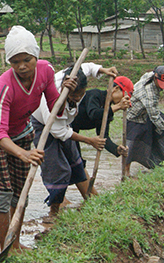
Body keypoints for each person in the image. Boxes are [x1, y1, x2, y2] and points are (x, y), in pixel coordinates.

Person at [0, 26, 60, 253]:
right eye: (15, 62)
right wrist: (24, 154)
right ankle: (5, 248)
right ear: (9, 62)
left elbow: (56, 109)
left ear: (36, 55)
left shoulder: (46, 71)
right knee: (4, 191)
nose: (22, 66)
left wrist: (67, 95)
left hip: (22, 132)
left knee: (20, 189)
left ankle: (15, 243)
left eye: (27, 60)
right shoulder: (5, 85)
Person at [31, 63, 119, 214]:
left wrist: (103, 70)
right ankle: (55, 210)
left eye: (80, 96)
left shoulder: (76, 75)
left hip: (64, 123)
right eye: (73, 97)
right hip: (44, 125)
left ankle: (91, 198)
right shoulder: (51, 97)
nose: (77, 99)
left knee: (75, 161)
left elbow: (87, 67)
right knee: (58, 169)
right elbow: (58, 131)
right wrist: (90, 140)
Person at [124, 65, 164, 174]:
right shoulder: (149, 93)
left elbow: (156, 71)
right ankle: (126, 172)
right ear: (155, 79)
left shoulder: (151, 75)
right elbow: (154, 115)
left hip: (145, 113)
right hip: (135, 117)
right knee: (133, 144)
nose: (163, 87)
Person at [72, 75, 134, 161]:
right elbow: (93, 114)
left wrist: (116, 149)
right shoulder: (95, 94)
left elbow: (103, 137)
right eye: (123, 95)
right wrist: (118, 106)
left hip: (73, 135)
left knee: (78, 164)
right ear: (115, 89)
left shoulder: (108, 110)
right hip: (64, 129)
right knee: (75, 164)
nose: (122, 100)